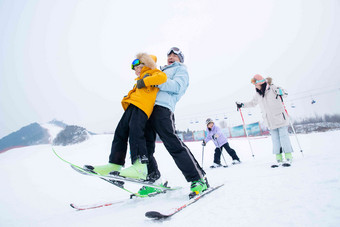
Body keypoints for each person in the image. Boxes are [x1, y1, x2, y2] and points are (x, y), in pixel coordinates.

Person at [84, 53, 167, 179]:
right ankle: (115, 164)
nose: (135, 71)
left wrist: (144, 81)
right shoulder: (140, 79)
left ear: (145, 64)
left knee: (135, 131)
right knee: (120, 132)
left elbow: (162, 78)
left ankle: (140, 166)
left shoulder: (152, 72)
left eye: (136, 67)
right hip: (132, 106)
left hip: (142, 107)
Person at [141, 47, 207, 196]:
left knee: (173, 144)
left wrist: (156, 82)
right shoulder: (160, 70)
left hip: (163, 109)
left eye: (175, 56)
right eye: (169, 55)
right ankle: (154, 180)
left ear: (180, 59)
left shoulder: (181, 71)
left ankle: (198, 179)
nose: (171, 57)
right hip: (148, 109)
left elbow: (177, 87)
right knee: (145, 146)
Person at [236, 74, 294, 166]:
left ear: (261, 83)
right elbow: (252, 103)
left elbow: (285, 93)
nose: (255, 86)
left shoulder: (273, 88)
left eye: (256, 84)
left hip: (280, 118)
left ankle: (288, 156)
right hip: (269, 120)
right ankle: (278, 158)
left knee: (283, 138)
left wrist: (281, 92)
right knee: (275, 140)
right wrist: (242, 105)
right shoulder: (258, 94)